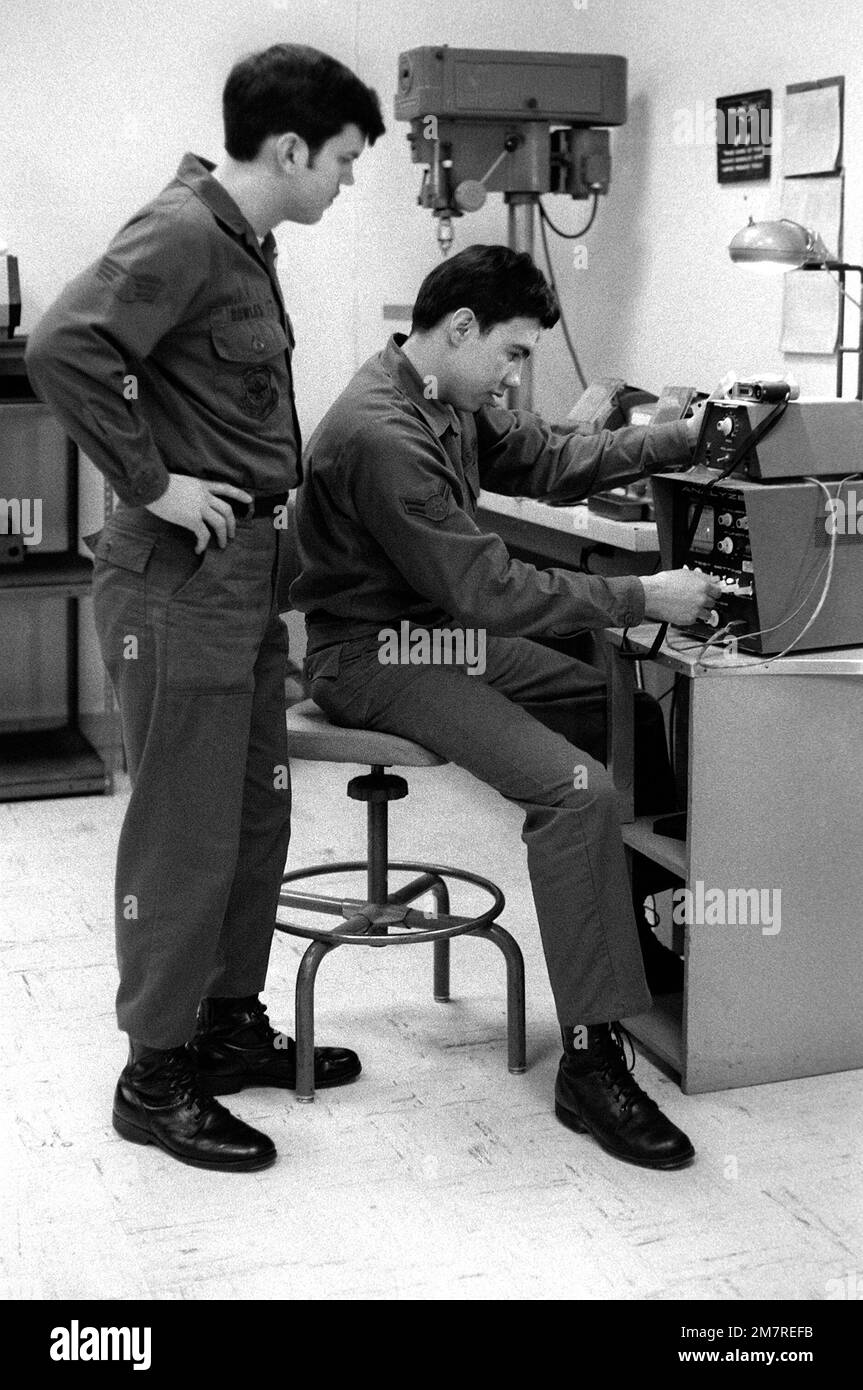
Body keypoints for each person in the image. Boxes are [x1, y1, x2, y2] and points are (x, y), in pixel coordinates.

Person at [25, 44, 385, 1172]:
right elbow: (63, 348)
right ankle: (155, 1074)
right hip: (179, 575)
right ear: (288, 149)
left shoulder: (244, 241)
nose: (345, 181)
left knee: (251, 814)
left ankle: (227, 1026)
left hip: (240, 573)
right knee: (184, 833)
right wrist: (152, 482)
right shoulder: (185, 229)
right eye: (341, 160)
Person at [290, 244, 723, 1171]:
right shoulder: (385, 433)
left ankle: (642, 963)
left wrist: (684, 438)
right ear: (458, 331)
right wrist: (643, 597)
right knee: (575, 790)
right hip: (370, 655)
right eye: (513, 353)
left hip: (432, 635)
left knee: (624, 709)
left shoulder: (440, 398)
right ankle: (590, 1055)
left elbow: (549, 455)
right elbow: (488, 589)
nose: (515, 374)